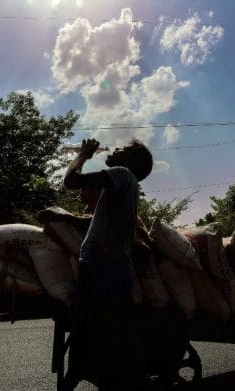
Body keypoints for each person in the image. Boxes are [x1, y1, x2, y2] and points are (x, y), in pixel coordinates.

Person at [63, 138, 153, 391]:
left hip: (108, 268)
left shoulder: (122, 174)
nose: (114, 150)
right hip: (101, 266)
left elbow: (70, 181)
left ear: (131, 161)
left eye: (121, 150)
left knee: (104, 338)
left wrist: (83, 155)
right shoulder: (124, 183)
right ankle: (78, 374)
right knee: (89, 332)